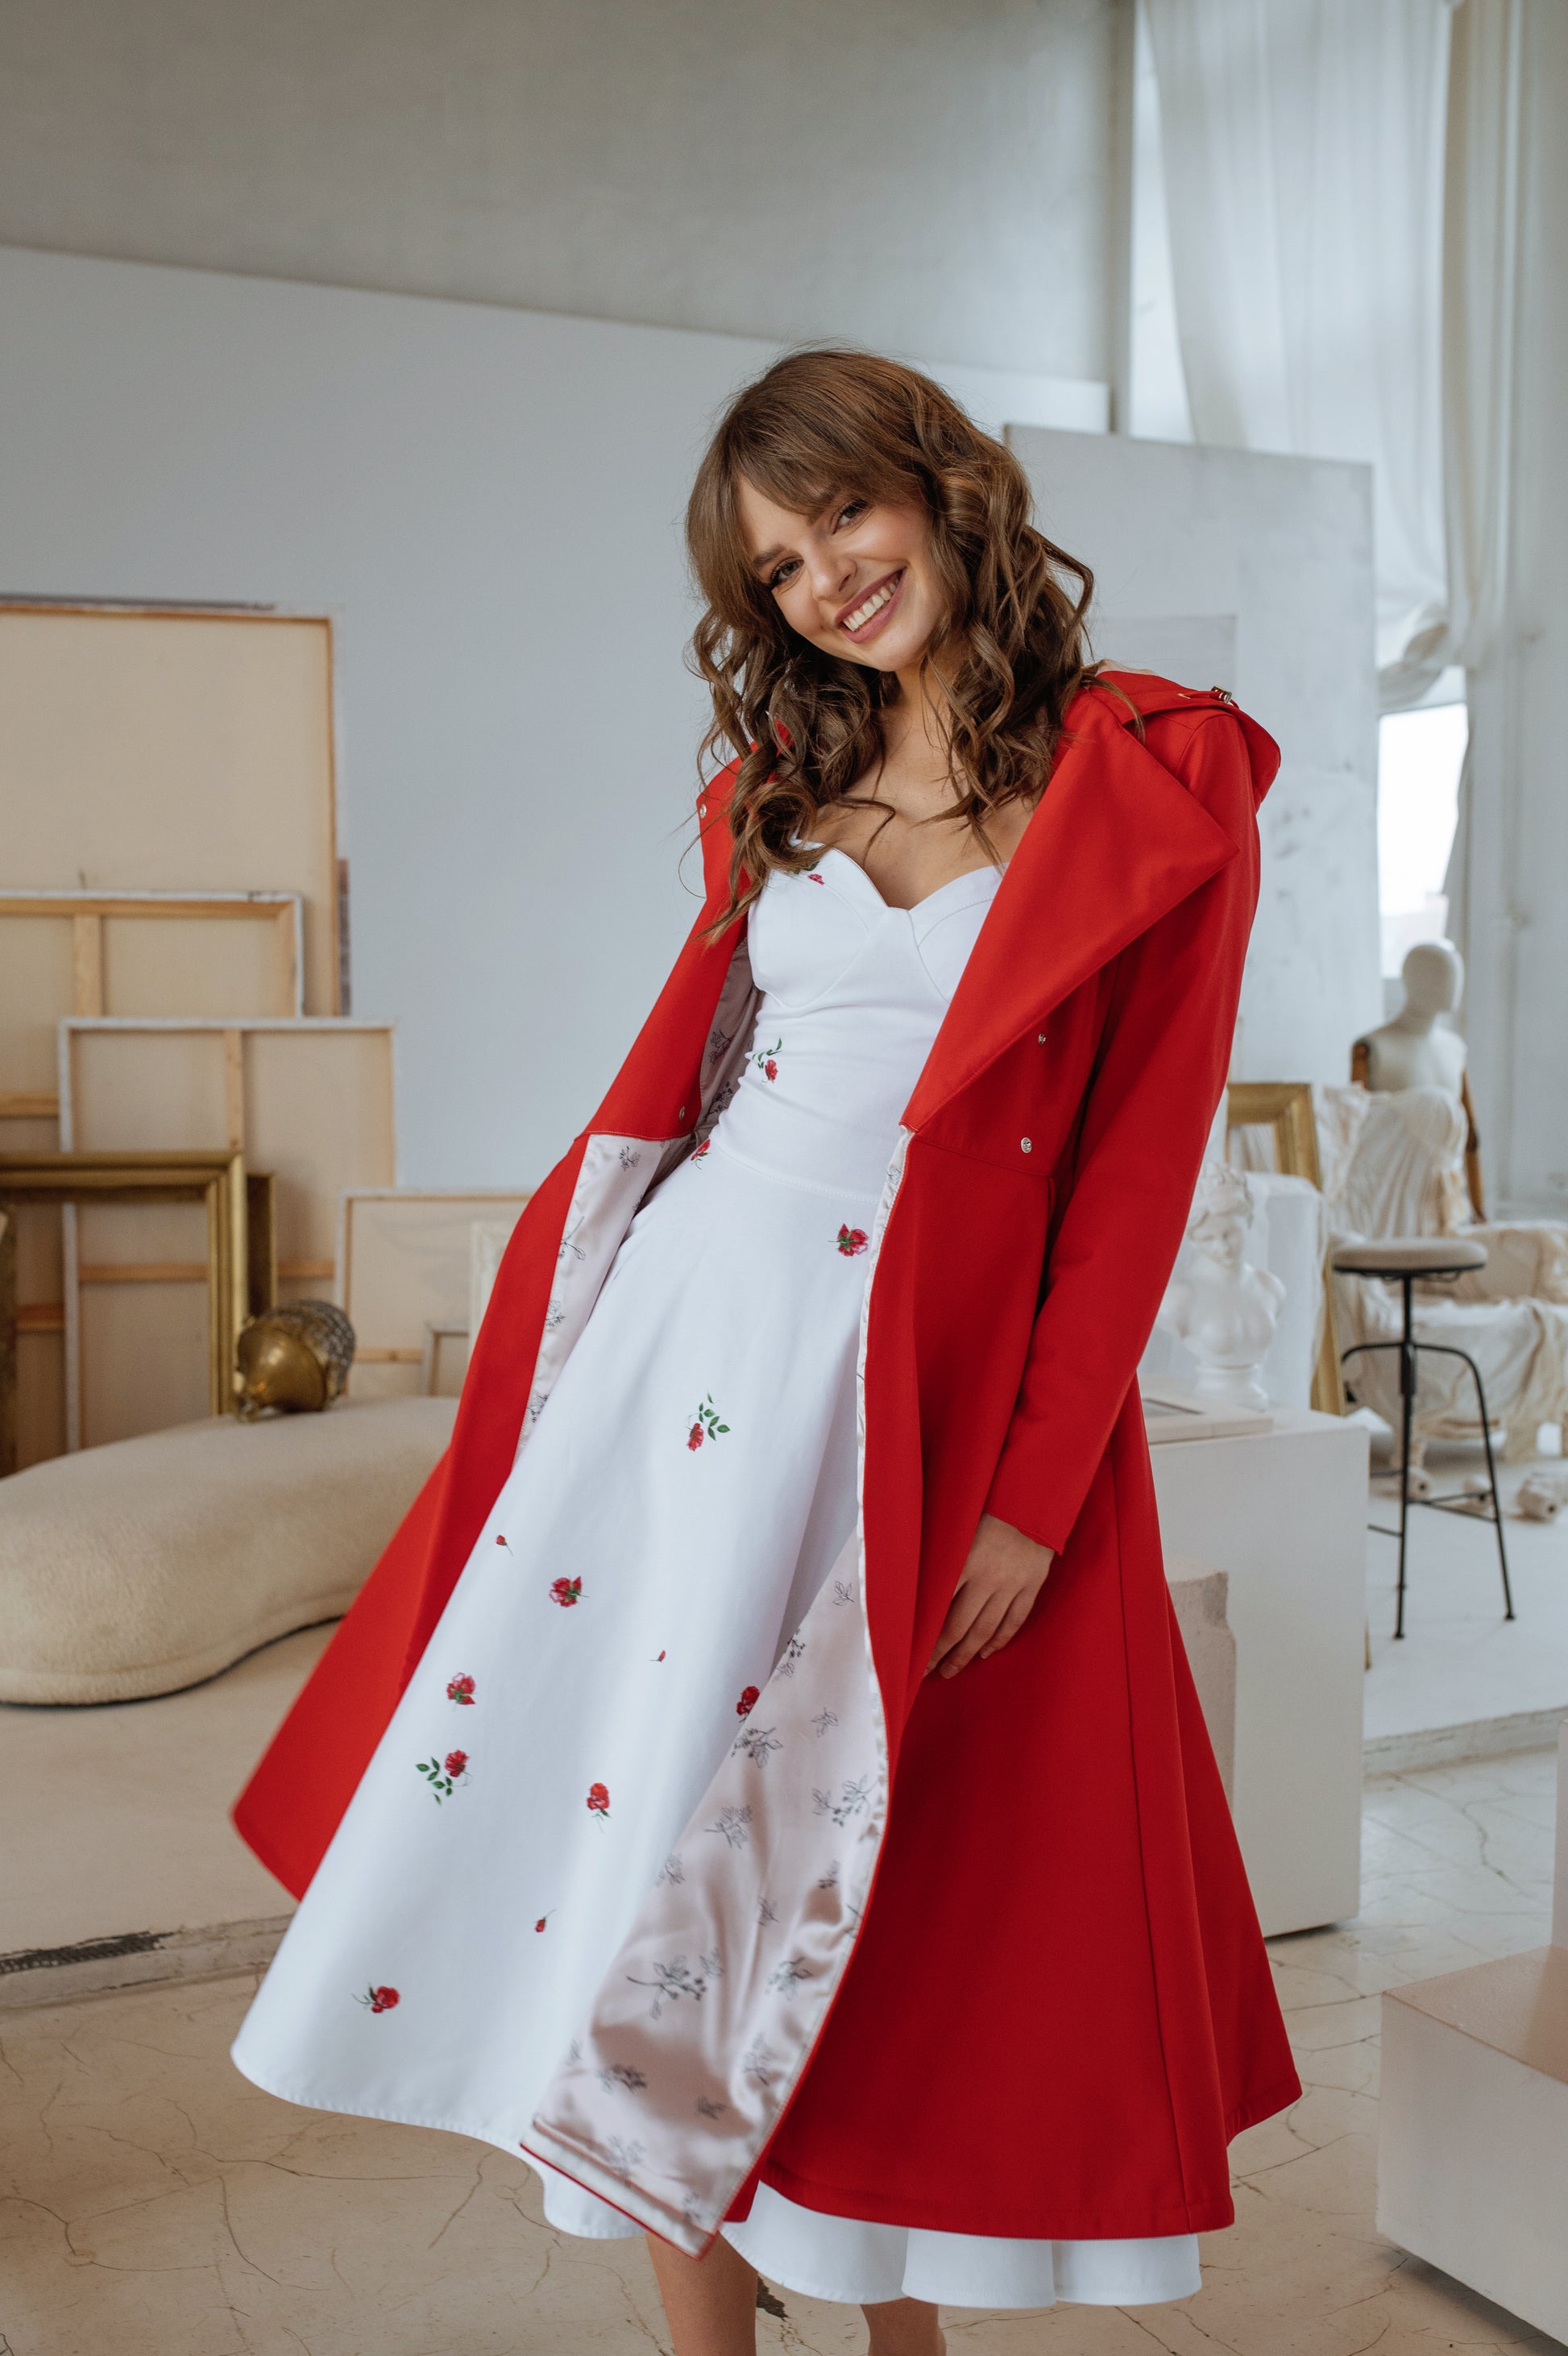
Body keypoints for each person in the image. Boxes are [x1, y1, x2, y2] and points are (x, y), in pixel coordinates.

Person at [229, 349, 1300, 2356]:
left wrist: (1033, 1493)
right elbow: (691, 1090)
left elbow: (1137, 1174)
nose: (823, 580)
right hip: (691, 1351)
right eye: (778, 566)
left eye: (842, 518)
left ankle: (896, 2332)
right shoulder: (777, 781)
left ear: (943, 488)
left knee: (863, 1877)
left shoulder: (1152, 779)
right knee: (642, 1845)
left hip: (924, 1393)